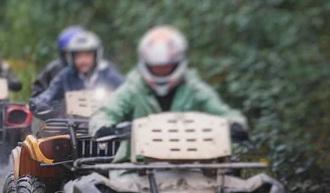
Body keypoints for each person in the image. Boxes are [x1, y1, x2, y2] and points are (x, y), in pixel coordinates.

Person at [89, 25, 248, 164]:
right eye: (156, 67)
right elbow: (106, 112)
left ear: (178, 63)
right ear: (145, 64)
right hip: (136, 166)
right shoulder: (133, 89)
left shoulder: (194, 89)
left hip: (194, 165)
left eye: (167, 67)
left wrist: (235, 124)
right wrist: (102, 127)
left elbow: (222, 112)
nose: (162, 71)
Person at [29, 30, 125, 114]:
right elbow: (48, 95)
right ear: (71, 58)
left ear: (96, 56)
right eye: (78, 56)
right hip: (74, 127)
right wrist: (36, 104)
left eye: (87, 56)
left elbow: (126, 93)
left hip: (106, 126)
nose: (83, 61)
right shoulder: (66, 75)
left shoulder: (108, 72)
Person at [31, 25, 83, 97]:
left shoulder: (98, 71)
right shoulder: (55, 68)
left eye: (85, 54)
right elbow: (38, 92)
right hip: (59, 106)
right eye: (74, 54)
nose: (82, 59)